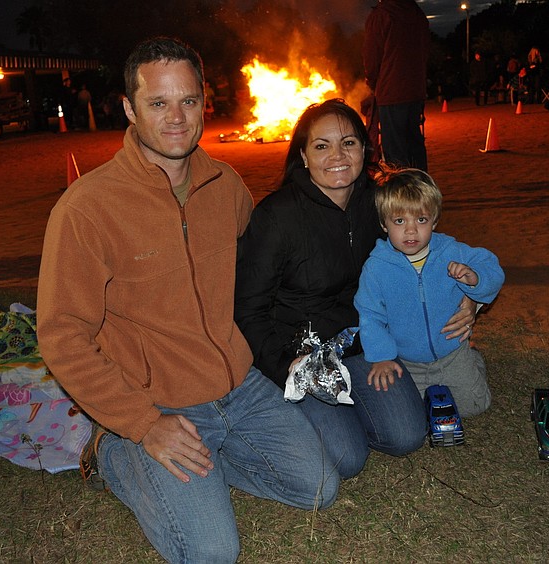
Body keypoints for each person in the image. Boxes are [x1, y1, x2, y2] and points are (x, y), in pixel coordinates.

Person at [36, 37, 338, 563]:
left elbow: (268, 283)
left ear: (204, 103)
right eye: (158, 103)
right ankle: (112, 451)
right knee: (212, 552)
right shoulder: (86, 209)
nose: (177, 117)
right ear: (129, 108)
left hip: (239, 387)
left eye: (189, 101)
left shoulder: (226, 185)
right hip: (158, 400)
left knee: (318, 489)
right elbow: (61, 335)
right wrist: (142, 423)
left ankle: (203, 464)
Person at [234, 99, 477, 480]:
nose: (337, 155)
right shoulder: (276, 217)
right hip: (303, 357)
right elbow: (248, 309)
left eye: (348, 143)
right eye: (321, 145)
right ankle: (281, 406)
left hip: (365, 346)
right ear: (303, 154)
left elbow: (430, 248)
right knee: (347, 459)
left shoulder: (379, 203)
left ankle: (349, 414)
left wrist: (469, 296)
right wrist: (286, 368)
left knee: (406, 436)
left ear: (365, 149)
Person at [354, 168, 504, 417]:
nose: (411, 231)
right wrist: (381, 356)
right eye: (400, 221)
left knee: (474, 407)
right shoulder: (377, 267)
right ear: (384, 224)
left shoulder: (450, 250)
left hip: (452, 352)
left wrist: (475, 277)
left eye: (421, 220)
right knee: (415, 413)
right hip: (408, 360)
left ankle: (474, 360)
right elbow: (370, 314)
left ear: (434, 221)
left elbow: (492, 267)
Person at [363, 0, 430, 171]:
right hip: (416, 90)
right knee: (414, 142)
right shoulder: (417, 12)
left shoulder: (382, 15)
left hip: (391, 92)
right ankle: (421, 186)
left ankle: (401, 192)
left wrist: (372, 82)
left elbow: (372, 57)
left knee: (395, 149)